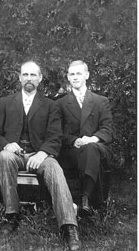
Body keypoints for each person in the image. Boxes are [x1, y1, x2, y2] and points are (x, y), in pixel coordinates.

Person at [0, 61, 80, 251]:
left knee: (54, 168)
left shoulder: (50, 105)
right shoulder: (6, 102)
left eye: (33, 75)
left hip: (41, 154)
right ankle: (11, 214)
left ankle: (69, 226)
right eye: (25, 75)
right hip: (15, 155)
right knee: (3, 157)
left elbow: (55, 136)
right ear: (19, 78)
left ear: (40, 79)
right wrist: (6, 144)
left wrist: (43, 153)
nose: (29, 79)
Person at [56, 60, 113, 216]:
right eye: (72, 74)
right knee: (86, 150)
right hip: (72, 150)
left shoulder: (101, 101)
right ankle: (86, 200)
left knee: (91, 149)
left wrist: (92, 139)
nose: (75, 77)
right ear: (68, 77)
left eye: (79, 73)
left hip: (96, 148)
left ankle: (85, 197)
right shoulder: (60, 103)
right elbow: (57, 133)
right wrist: (74, 141)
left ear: (86, 75)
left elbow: (107, 130)